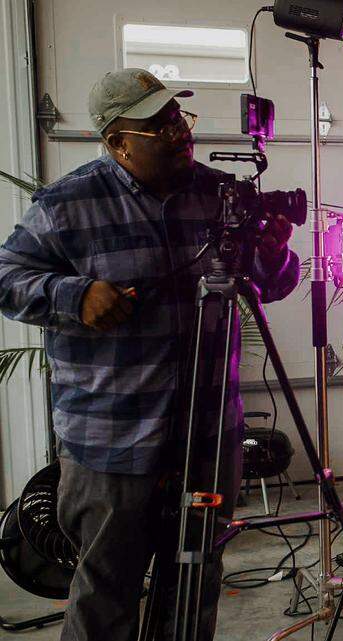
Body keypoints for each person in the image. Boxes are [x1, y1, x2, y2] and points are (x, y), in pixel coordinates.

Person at [0, 68, 300, 641]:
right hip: (113, 443)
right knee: (106, 591)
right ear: (116, 141)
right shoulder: (67, 205)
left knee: (195, 581)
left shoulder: (220, 195)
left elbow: (272, 285)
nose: (178, 131)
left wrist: (272, 254)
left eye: (178, 118)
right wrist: (74, 294)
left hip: (208, 435)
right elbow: (6, 277)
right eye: (157, 124)